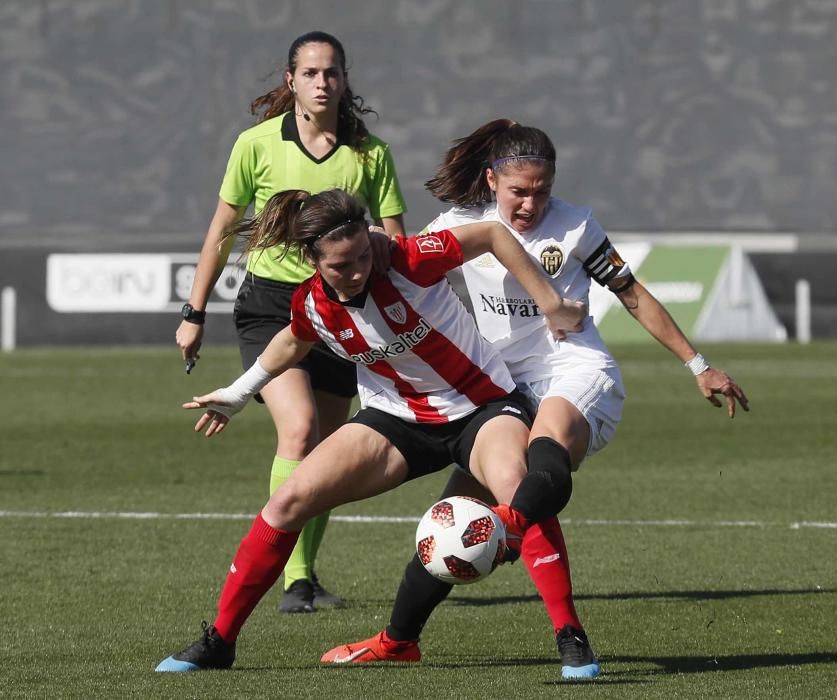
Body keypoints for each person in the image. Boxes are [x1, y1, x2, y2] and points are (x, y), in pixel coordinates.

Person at [320, 119, 749, 679]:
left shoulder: (576, 227)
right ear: (492, 179)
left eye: (541, 190)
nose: (529, 203)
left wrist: (699, 364)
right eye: (518, 191)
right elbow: (398, 265)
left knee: (543, 450)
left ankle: (569, 634)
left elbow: (631, 293)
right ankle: (398, 639)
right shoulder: (460, 225)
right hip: (499, 388)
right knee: (457, 520)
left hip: (576, 371)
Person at [155, 188, 587, 672]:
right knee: (286, 502)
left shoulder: (407, 259)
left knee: (516, 490)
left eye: (363, 253)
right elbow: (291, 340)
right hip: (396, 420)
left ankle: (571, 637)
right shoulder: (314, 303)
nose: (359, 269)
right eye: (342, 265)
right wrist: (239, 392)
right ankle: (220, 641)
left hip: (481, 406)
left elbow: (490, 233)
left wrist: (550, 301)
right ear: (311, 259)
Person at [174, 31, 407, 613]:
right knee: (299, 429)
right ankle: (279, 571)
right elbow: (221, 231)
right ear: (290, 80)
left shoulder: (370, 153)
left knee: (325, 448)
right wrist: (194, 311)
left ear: (344, 79)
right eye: (310, 73)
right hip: (272, 306)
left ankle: (302, 579)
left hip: (339, 310)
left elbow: (398, 240)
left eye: (332, 72)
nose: (322, 82)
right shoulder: (255, 145)